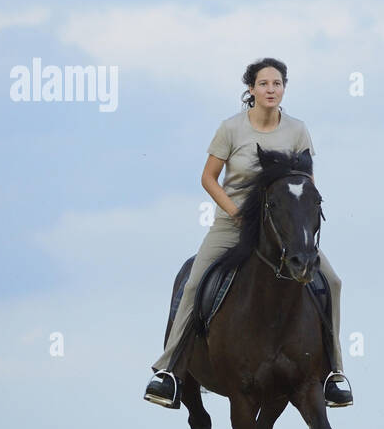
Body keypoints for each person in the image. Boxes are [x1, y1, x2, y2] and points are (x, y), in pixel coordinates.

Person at [144, 57, 353, 409]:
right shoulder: (231, 129)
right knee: (194, 283)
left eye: (277, 83)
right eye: (263, 84)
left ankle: (333, 372)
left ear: (284, 88)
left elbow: (306, 181)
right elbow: (208, 178)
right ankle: (169, 371)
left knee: (331, 281)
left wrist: (302, 221)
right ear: (251, 89)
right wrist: (235, 212)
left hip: (282, 228)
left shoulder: (298, 130)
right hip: (234, 223)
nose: (271, 89)